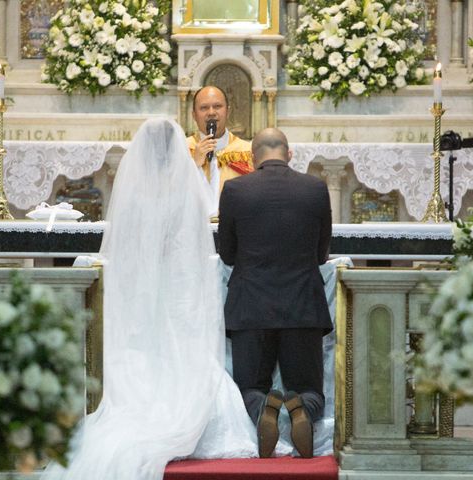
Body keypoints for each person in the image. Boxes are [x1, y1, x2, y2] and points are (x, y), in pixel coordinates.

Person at [42, 118, 257, 480]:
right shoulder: (187, 188)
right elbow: (194, 245)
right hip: (178, 284)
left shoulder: (135, 192)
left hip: (141, 287)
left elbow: (124, 249)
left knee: (145, 345)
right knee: (184, 343)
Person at [218, 128, 333, 459]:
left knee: (250, 386)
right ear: (290, 153)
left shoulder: (235, 190)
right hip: (303, 304)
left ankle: (264, 405)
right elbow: (321, 254)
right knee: (309, 386)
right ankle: (300, 407)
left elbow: (227, 253)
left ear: (253, 157)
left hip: (251, 304)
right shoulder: (315, 188)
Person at [187, 86, 254, 215]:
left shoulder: (246, 151)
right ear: (194, 115)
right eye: (204, 108)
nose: (211, 112)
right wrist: (193, 165)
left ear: (227, 111)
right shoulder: (182, 149)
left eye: (217, 106)